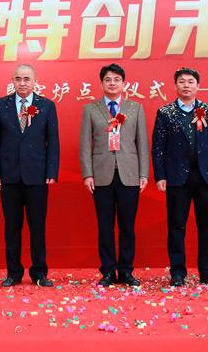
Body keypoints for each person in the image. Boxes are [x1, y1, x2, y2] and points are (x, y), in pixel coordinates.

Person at [152, 67, 208, 287]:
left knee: (207, 224)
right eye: (182, 82)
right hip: (176, 177)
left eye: (191, 81)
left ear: (198, 85)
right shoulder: (165, 112)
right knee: (176, 225)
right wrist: (160, 175)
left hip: (205, 175)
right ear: (175, 86)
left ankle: (207, 271)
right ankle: (177, 272)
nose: (186, 85)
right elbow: (158, 147)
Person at [0, 64, 59, 287]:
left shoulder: (46, 106)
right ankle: (14, 272)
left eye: (26, 79)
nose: (22, 83)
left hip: (37, 176)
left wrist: (51, 171)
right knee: (12, 227)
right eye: (18, 79)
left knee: (37, 226)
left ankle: (40, 273)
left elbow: (53, 142)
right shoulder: (1, 105)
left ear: (35, 81)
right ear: (13, 80)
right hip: (9, 176)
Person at [79, 64, 148, 287]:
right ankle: (108, 271)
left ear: (124, 84)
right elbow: (84, 145)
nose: (112, 83)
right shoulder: (91, 109)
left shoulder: (135, 108)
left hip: (129, 173)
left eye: (116, 79)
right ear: (101, 84)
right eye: (108, 79)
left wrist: (143, 173)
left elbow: (142, 144)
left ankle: (126, 271)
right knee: (105, 226)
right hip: (101, 175)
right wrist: (87, 174)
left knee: (128, 225)